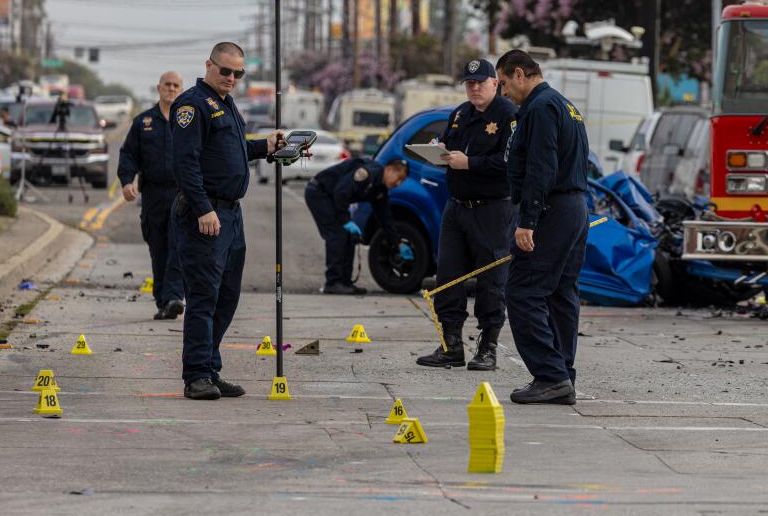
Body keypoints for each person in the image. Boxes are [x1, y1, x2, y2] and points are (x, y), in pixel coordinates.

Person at [171, 43, 285, 401]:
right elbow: (185, 163)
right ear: (209, 65)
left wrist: (266, 145)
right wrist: (203, 208)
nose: (232, 78)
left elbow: (232, 151)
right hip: (205, 214)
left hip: (231, 214)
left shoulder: (225, 104)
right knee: (204, 297)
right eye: (226, 71)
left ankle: (210, 368)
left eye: (238, 74)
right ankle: (196, 376)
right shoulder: (191, 105)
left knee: (227, 296)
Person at [495, 49, 590, 405]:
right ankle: (562, 374)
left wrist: (528, 221)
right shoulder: (565, 105)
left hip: (551, 208)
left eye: (503, 83)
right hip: (574, 206)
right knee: (561, 293)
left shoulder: (538, 108)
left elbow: (541, 167)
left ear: (519, 74)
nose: (503, 92)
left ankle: (550, 375)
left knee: (523, 291)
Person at [416, 58, 518, 371]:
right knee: (447, 276)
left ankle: (487, 348)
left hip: (492, 208)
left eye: (480, 82)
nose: (474, 88)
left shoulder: (509, 116)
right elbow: (451, 145)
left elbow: (511, 163)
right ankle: (451, 345)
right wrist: (440, 151)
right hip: (457, 206)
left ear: (495, 83)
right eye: (469, 83)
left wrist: (470, 163)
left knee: (491, 279)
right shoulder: (461, 113)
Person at [117, 72, 185, 320]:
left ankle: (175, 297)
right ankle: (163, 301)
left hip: (182, 194)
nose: (171, 88)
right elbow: (128, 155)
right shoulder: (143, 122)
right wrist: (127, 182)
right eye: (167, 84)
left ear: (182, 89)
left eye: (175, 85)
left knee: (178, 246)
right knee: (159, 249)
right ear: (158, 88)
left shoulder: (189, 120)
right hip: (154, 195)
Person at [304, 156, 408, 295]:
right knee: (337, 234)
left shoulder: (380, 189)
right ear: (389, 169)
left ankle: (345, 282)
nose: (398, 183)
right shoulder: (369, 173)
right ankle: (333, 282)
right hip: (320, 192)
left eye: (402, 181)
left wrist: (398, 243)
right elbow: (341, 192)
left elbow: (385, 219)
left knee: (350, 236)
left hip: (333, 197)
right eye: (398, 177)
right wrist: (346, 221)